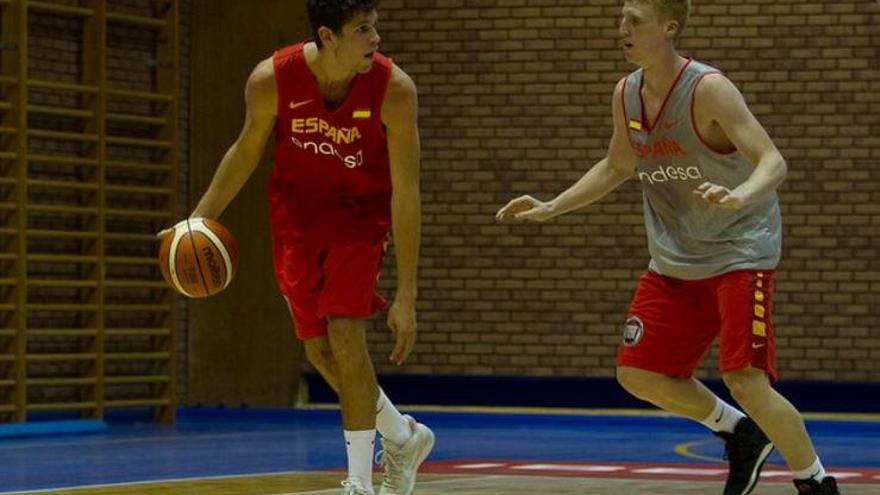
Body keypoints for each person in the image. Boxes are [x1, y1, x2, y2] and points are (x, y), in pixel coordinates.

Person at [496, 1, 839, 494]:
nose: (622, 29)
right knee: (638, 373)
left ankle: (816, 482)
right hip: (677, 258)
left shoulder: (709, 89)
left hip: (740, 250)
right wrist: (553, 206)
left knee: (745, 378)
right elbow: (617, 165)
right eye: (621, 19)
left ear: (669, 26)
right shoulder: (626, 93)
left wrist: (740, 194)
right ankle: (739, 431)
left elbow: (773, 161)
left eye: (634, 20)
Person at [169, 1, 434, 493]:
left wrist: (407, 293)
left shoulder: (394, 90)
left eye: (375, 26)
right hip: (296, 222)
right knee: (318, 349)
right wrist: (197, 220)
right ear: (327, 36)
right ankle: (401, 433)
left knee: (345, 334)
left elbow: (408, 192)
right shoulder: (272, 79)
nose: (375, 39)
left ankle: (359, 480)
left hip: (359, 220)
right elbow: (246, 150)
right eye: (362, 30)